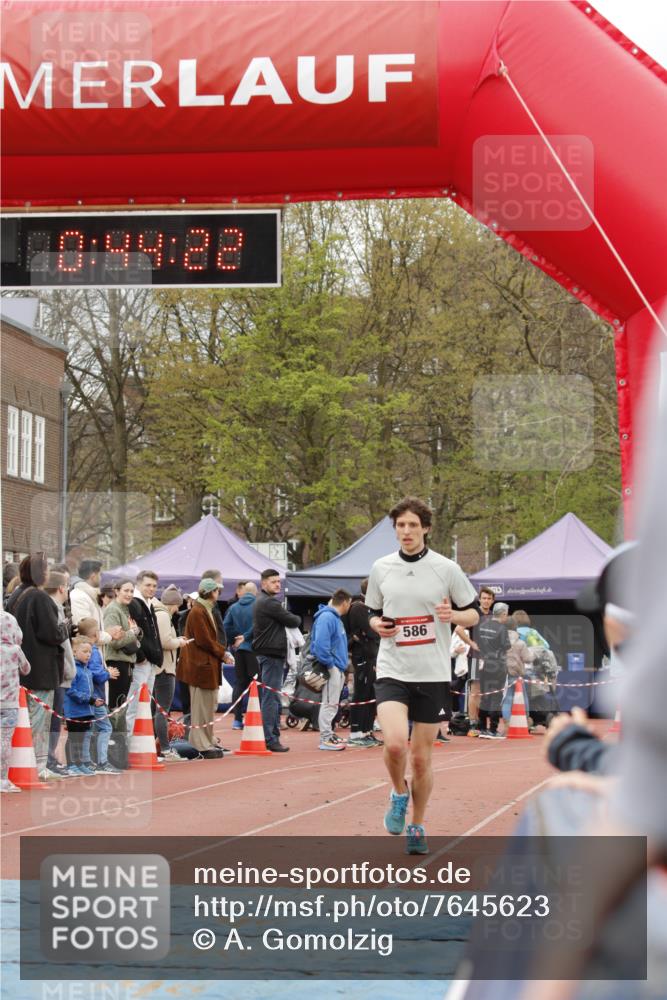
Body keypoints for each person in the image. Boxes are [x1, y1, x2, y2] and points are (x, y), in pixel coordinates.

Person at [365, 496, 478, 854]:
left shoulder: (446, 569)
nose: (407, 531)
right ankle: (399, 793)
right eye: (401, 525)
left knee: (421, 758)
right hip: (392, 669)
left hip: (431, 673)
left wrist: (453, 617)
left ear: (426, 528)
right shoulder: (381, 568)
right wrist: (376, 625)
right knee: (396, 743)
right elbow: (371, 612)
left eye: (413, 525)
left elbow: (473, 613)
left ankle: (417, 823)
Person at [14, 565, 70, 779]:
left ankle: (24, 762)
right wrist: (64, 627)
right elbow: (51, 633)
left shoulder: (17, 595)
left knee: (24, 718)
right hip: (42, 669)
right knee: (39, 719)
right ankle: (38, 764)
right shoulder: (40, 598)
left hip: (23, 668)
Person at [177, 578, 231, 758]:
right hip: (200, 667)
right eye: (217, 590)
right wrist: (222, 653)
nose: (219, 593)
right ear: (211, 592)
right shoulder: (198, 612)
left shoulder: (204, 610)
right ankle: (200, 744)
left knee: (207, 707)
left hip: (206, 666)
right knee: (201, 708)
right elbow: (204, 640)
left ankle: (207, 741)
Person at [252, 568, 301, 753]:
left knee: (271, 697)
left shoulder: (262, 601)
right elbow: (294, 620)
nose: (278, 585)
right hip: (271, 655)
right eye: (274, 582)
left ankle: (271, 735)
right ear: (263, 583)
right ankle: (270, 738)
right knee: (271, 698)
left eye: (279, 582)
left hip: (270, 654)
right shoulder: (270, 603)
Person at [75, 617, 121, 773]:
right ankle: (102, 762)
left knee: (89, 729)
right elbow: (96, 674)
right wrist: (107, 673)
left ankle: (87, 760)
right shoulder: (93, 651)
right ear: (95, 634)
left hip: (88, 696)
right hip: (96, 697)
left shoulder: (81, 650)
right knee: (105, 728)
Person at [310, 589, 353, 751]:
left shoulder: (333, 618)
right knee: (329, 703)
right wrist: (330, 665)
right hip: (332, 667)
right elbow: (321, 645)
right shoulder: (328, 617)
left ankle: (328, 734)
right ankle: (325, 737)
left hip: (336, 667)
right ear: (345, 603)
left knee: (332, 703)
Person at [153, 585, 189, 760]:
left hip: (163, 667)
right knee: (162, 711)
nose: (177, 609)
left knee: (160, 710)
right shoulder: (163, 616)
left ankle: (160, 747)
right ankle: (166, 749)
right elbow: (165, 642)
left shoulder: (160, 614)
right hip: (164, 669)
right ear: (173, 603)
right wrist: (179, 643)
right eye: (177, 605)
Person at [127, 571, 163, 736]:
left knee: (144, 705)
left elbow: (153, 633)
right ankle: (129, 746)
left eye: (154, 586)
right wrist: (141, 656)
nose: (152, 588)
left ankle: (139, 745)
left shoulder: (149, 603)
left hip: (151, 661)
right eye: (148, 585)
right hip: (141, 662)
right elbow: (131, 631)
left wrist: (156, 657)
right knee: (135, 705)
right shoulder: (134, 603)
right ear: (139, 585)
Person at [346, 579, 382, 749]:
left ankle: (366, 731)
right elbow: (371, 632)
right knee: (361, 694)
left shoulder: (367, 608)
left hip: (371, 656)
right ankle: (356, 732)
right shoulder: (359, 607)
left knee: (370, 695)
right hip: (363, 657)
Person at [456, 585, 495, 736]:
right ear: (480, 599)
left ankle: (485, 723)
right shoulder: (475, 614)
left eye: (488, 599)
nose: (486, 601)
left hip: (491, 659)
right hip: (476, 657)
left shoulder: (493, 616)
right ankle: (473, 723)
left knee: (489, 692)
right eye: (483, 598)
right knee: (475, 692)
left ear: (492, 601)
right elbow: (459, 629)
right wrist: (471, 643)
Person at [0, 610, 31, 792]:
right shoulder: (15, 650)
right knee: (4, 741)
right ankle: (2, 779)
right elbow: (26, 669)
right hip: (9, 703)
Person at [223, 581, 259, 730]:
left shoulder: (233, 607)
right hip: (254, 649)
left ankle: (237, 719)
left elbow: (225, 626)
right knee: (256, 684)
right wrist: (245, 637)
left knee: (239, 683)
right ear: (255, 592)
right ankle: (255, 717)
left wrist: (234, 640)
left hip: (239, 650)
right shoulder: (258, 606)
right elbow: (259, 626)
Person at [63, 636, 97, 776]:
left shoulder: (87, 671)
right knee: (74, 738)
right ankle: (71, 764)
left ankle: (79, 763)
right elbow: (71, 690)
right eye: (84, 651)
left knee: (81, 738)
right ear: (74, 652)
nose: (88, 654)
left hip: (86, 711)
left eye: (89, 652)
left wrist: (93, 700)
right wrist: (88, 699)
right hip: (74, 711)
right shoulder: (74, 670)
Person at [476, 602, 510, 739]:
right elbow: (506, 646)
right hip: (497, 665)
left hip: (484, 664)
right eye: (506, 614)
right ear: (503, 613)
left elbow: (478, 643)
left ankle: (482, 727)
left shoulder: (483, 625)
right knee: (496, 696)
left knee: (485, 695)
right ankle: (493, 729)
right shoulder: (502, 628)